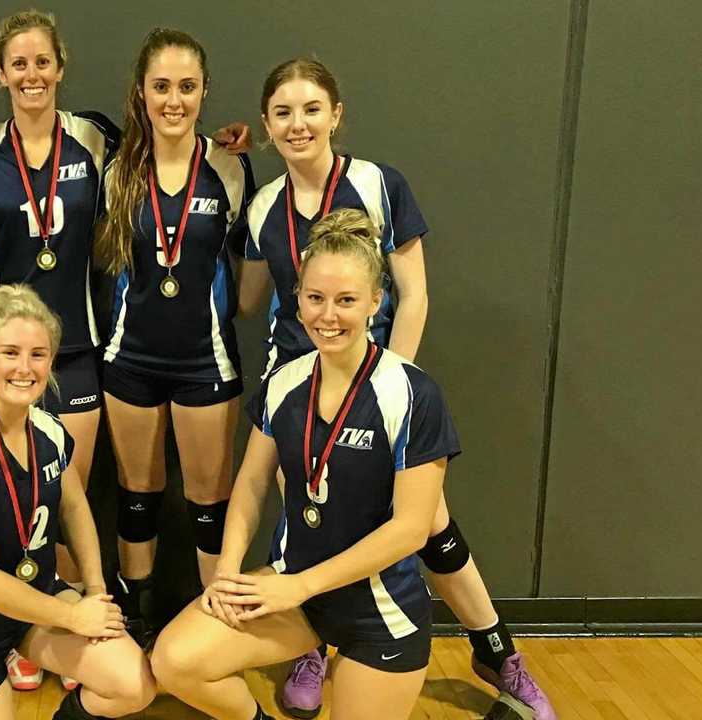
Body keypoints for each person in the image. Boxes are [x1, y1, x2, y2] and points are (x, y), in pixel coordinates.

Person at [237, 57, 555, 719]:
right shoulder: (264, 205)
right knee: (305, 517)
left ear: (336, 114)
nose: (299, 124)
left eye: (311, 108)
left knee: (429, 527)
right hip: (296, 393)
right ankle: (313, 647)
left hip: (373, 387)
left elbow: (414, 296)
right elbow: (248, 302)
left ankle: (497, 652)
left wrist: (391, 387)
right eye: (284, 112)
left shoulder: (378, 185)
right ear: (266, 126)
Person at [0, 11, 249, 686]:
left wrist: (239, 134)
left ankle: (93, 627)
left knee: (69, 496)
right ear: (2, 73)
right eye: (19, 64)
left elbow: (244, 268)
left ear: (62, 68)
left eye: (43, 63)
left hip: (83, 347)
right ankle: (26, 630)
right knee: (7, 499)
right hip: (8, 352)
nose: (32, 75)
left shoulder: (102, 145)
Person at [152, 208, 457, 720]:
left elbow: (410, 528)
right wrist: (226, 572)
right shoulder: (286, 382)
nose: (327, 315)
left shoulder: (411, 392)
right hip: (296, 592)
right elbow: (250, 484)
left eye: (346, 300)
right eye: (315, 298)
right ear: (297, 298)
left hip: (376, 608)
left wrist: (298, 584)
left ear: (375, 302)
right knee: (174, 660)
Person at [0, 284, 157, 720]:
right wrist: (73, 619)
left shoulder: (48, 430)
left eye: (38, 354)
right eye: (10, 353)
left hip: (38, 599)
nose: (25, 368)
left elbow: (74, 507)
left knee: (133, 683)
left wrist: (96, 592)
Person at [94, 28, 254, 648]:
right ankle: (137, 622)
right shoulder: (115, 167)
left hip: (205, 363)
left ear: (205, 91)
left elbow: (247, 271)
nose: (174, 100)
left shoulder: (231, 166)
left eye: (187, 87)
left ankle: (214, 631)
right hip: (128, 358)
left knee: (207, 504)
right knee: (137, 497)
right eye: (161, 86)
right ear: (141, 92)